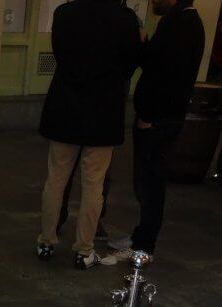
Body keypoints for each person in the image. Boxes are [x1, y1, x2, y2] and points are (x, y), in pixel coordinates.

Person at [37, 0, 141, 269]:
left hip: (65, 106)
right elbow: (130, 65)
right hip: (102, 110)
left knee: (55, 180)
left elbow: (59, 53)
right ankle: (83, 250)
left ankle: (46, 241)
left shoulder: (64, 12)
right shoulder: (125, 18)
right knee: (93, 185)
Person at [108, 0, 205, 259]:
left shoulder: (183, 24)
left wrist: (149, 115)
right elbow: (158, 62)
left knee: (150, 182)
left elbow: (166, 74)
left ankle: (143, 245)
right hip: (161, 116)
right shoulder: (178, 21)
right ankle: (141, 236)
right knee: (146, 181)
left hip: (160, 119)